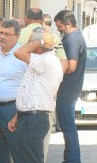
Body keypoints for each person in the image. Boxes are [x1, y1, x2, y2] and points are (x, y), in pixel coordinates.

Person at [8, 26, 63, 163]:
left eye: (30, 43)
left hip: (34, 119)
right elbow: (33, 91)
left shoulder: (46, 60)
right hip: (29, 117)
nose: (28, 46)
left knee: (31, 159)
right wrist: (18, 115)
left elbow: (18, 53)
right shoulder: (41, 60)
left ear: (41, 45)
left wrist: (41, 41)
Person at [0, 20, 28, 163]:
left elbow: (30, 86)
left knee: (18, 151)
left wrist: (19, 113)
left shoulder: (23, 56)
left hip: (12, 111)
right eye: (0, 33)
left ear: (16, 37)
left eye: (7, 34)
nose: (2, 37)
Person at [54, 10, 87, 163]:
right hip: (71, 88)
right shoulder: (76, 36)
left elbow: (71, 66)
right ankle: (70, 159)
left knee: (67, 126)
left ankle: (72, 160)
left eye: (60, 27)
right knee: (68, 126)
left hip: (67, 89)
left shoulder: (72, 39)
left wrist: (54, 73)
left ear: (68, 24)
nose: (58, 30)